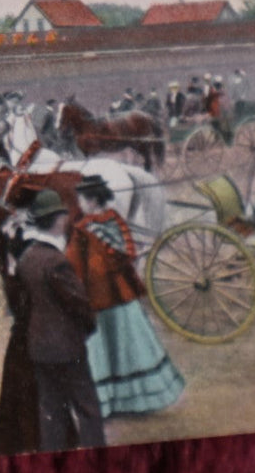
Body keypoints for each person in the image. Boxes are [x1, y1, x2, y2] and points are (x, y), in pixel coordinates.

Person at [66, 176, 184, 418]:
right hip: (122, 296)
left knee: (100, 353)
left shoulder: (83, 230)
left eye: (81, 199)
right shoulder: (115, 221)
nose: (79, 204)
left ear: (91, 200)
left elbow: (73, 266)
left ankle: (104, 404)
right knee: (129, 347)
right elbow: (125, 255)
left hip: (97, 299)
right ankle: (135, 400)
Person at [18, 190, 104, 451]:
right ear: (57, 220)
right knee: (88, 409)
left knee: (51, 412)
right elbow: (81, 305)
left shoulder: (27, 258)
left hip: (39, 347)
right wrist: (86, 329)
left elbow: (24, 305)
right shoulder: (56, 262)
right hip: (67, 348)